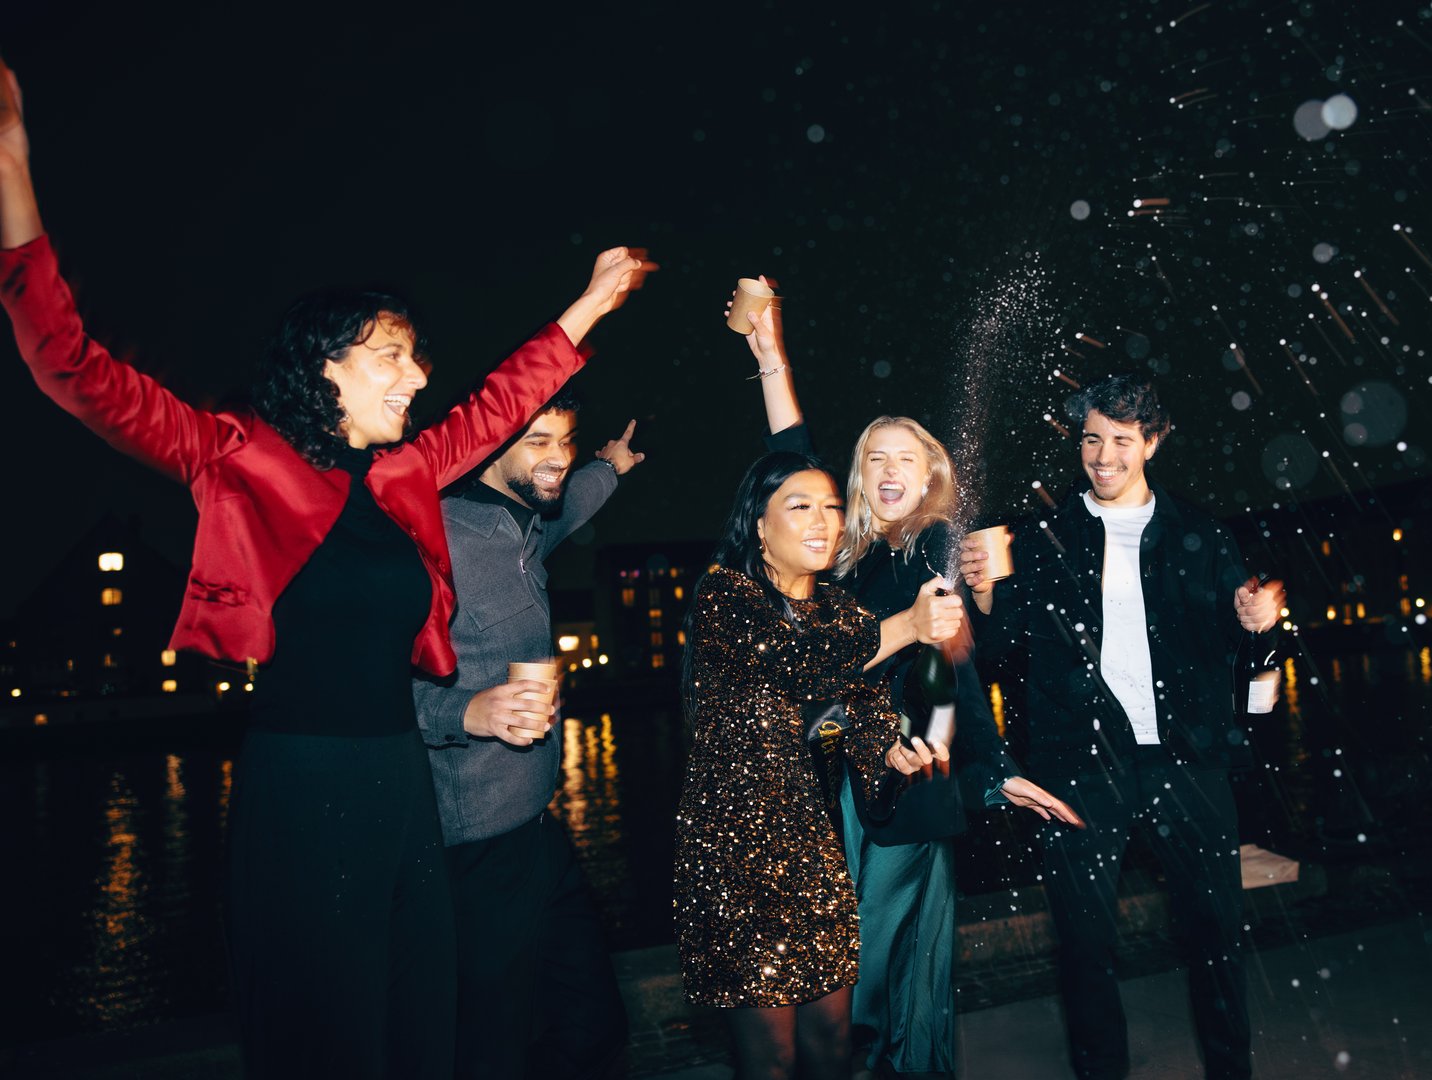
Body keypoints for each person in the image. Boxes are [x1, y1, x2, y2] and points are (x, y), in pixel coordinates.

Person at [0, 69, 651, 1079]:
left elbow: (495, 403)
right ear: (327, 367)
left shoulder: (405, 474)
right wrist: (12, 176)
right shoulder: (233, 455)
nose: (417, 375)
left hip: (401, 784)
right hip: (302, 787)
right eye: (392, 355)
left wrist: (592, 301)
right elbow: (69, 366)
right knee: (328, 1033)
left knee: (417, 1021)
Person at [737, 290, 1080, 1078]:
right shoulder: (840, 552)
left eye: (907, 457)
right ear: (860, 476)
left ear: (931, 474)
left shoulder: (931, 546)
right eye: (875, 457)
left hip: (891, 787)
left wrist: (993, 772)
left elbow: (954, 662)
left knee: (869, 989)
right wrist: (768, 357)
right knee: (883, 980)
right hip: (835, 779)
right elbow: (789, 449)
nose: (890, 469)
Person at [959, 375, 1285, 1080]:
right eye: (1091, 440)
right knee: (1084, 948)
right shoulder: (1039, 537)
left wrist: (1262, 629)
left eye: (1121, 441)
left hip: (1187, 762)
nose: (1103, 457)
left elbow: (1249, 668)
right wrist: (983, 592)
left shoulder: (1200, 533)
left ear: (1153, 442)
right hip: (1077, 765)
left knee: (1217, 940)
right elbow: (993, 654)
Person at [673, 450, 964, 1080]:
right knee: (769, 1060)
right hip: (738, 860)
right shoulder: (728, 596)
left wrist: (895, 758)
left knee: (833, 1046)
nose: (824, 521)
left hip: (817, 855)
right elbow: (799, 664)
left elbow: (866, 733)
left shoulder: (843, 612)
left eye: (833, 507)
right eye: (799, 505)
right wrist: (908, 625)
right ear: (759, 523)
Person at [412, 395, 643, 1079]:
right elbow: (365, 685)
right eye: (538, 440)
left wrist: (611, 463)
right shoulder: (434, 541)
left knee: (593, 1027)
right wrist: (466, 713)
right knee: (490, 1047)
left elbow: (574, 500)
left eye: (565, 440)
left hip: (538, 833)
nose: (557, 458)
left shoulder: (528, 528)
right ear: (485, 447)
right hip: (471, 850)